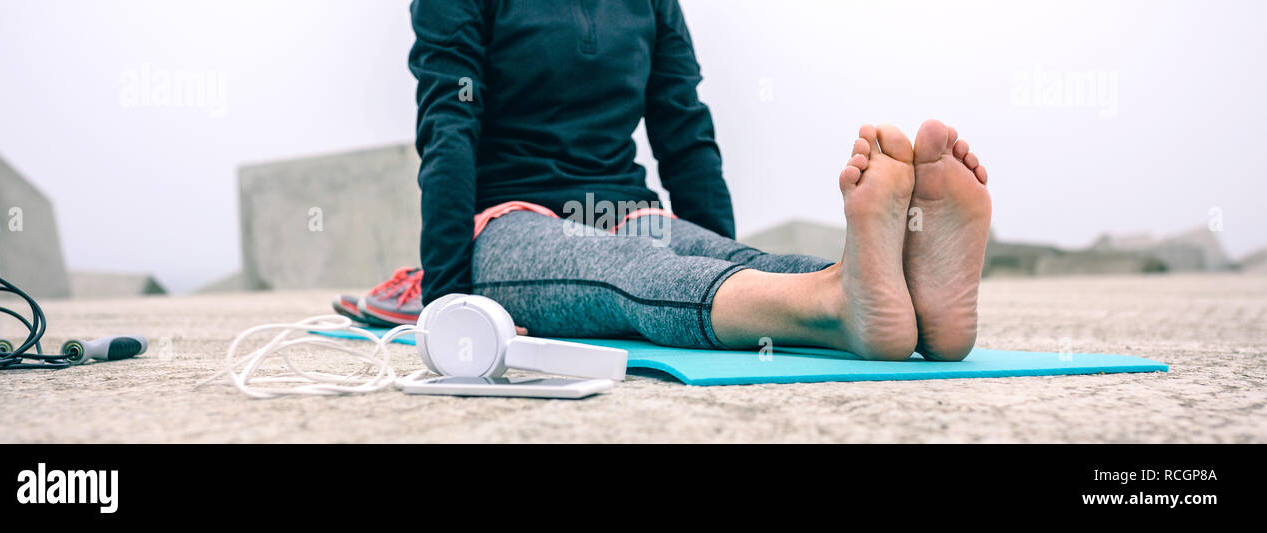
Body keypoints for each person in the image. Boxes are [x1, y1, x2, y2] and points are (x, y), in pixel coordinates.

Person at [343, 0, 991, 362]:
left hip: (619, 212)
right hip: (512, 225)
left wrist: (730, 263)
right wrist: (452, 301)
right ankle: (852, 299)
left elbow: (685, 136)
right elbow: (449, 129)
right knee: (628, 268)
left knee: (721, 261)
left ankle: (889, 295)